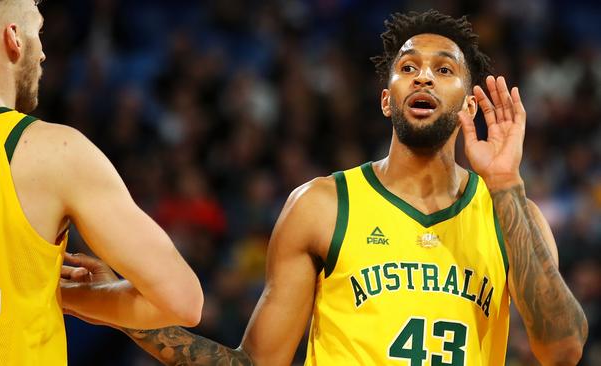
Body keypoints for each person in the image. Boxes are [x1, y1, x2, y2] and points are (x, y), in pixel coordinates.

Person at [62, 10, 588, 365]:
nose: (423, 77)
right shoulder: (322, 206)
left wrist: (504, 182)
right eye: (408, 67)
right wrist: (125, 311)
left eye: (443, 69)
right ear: (387, 99)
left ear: (469, 102)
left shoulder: (511, 213)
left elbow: (563, 349)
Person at [0, 0, 203, 364]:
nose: (44, 54)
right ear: (14, 38)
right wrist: (71, 295)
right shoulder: (53, 152)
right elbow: (183, 301)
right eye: (38, 32)